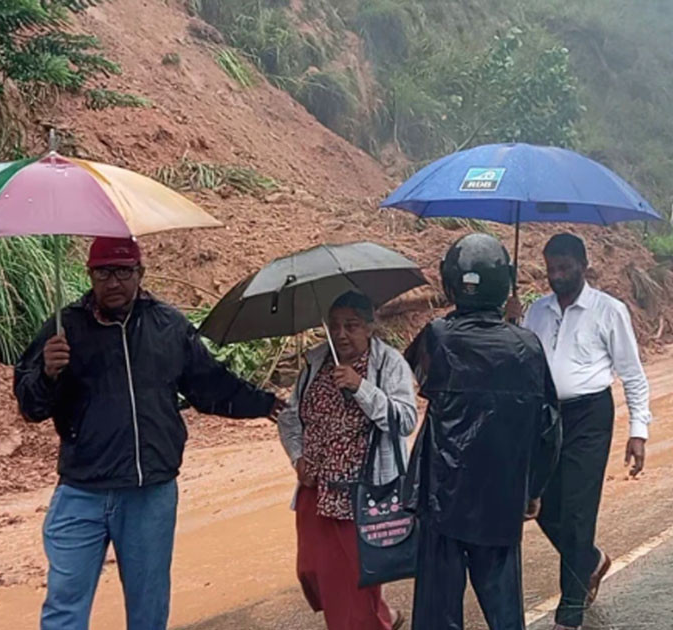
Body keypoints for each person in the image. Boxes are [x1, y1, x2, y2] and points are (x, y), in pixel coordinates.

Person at [14, 237, 284, 630]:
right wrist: (47, 373)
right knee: (64, 606)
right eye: (103, 272)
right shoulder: (63, 329)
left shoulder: (168, 325)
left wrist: (265, 404)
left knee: (148, 610)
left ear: (140, 273)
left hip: (149, 493)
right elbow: (30, 406)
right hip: (81, 492)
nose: (113, 282)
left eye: (123, 271)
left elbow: (209, 385)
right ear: (89, 275)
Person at [405, 233, 562, 630]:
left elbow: (421, 373)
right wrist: (533, 489)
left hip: (444, 495)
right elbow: (549, 428)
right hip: (502, 494)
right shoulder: (527, 346)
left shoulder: (437, 336)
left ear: (449, 281)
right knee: (504, 609)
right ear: (505, 282)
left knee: (438, 612)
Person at [507, 233, 653, 630]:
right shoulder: (536, 312)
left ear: (583, 265)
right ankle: (589, 560)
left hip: (590, 416)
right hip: (545, 416)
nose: (556, 276)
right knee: (541, 505)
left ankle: (569, 614)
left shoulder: (609, 311)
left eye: (564, 267)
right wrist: (511, 324)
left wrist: (638, 430)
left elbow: (633, 376)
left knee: (577, 511)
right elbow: (522, 363)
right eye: (551, 268)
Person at [276, 291, 417, 630]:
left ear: (370, 327)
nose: (341, 334)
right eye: (335, 326)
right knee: (311, 571)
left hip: (361, 495)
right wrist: (298, 459)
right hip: (316, 490)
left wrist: (361, 387)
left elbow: (405, 420)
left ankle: (370, 619)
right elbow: (290, 419)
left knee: (348, 584)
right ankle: (381, 615)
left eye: (351, 326)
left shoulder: (388, 364)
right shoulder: (315, 363)